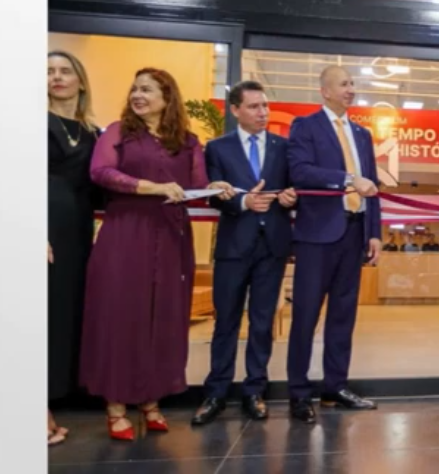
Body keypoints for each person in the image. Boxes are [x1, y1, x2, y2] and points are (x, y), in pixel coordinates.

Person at [79, 68, 235, 440]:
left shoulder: (188, 141)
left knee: (163, 317)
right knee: (121, 316)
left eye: (147, 89)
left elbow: (197, 185)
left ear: (167, 98)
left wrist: (216, 186)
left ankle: (150, 400)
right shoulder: (118, 132)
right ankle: (116, 406)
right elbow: (101, 172)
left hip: (171, 236)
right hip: (125, 232)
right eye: (135, 88)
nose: (138, 95)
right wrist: (151, 186)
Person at [191, 81, 297, 426]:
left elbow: (294, 189)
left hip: (273, 246)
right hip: (234, 246)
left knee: (263, 323)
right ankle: (216, 392)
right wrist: (243, 201)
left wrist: (291, 197)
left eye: (265, 105)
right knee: (226, 321)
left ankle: (255, 391)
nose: (263, 112)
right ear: (235, 110)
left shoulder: (284, 147)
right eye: (254, 107)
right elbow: (212, 194)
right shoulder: (217, 148)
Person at [286, 65, 382, 423]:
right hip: (316, 236)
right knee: (306, 315)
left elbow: (372, 186)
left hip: (354, 234)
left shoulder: (362, 134)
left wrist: (374, 232)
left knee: (343, 315)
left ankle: (335, 387)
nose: (351, 89)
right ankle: (299, 392)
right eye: (344, 84)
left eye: (352, 83)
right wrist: (346, 179)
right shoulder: (305, 127)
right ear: (324, 91)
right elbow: (300, 172)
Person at [47, 50, 102, 446]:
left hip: (78, 233)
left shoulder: (93, 132)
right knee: (40, 318)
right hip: (44, 231)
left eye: (65, 71)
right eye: (49, 71)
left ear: (80, 81)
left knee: (63, 318)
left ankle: (49, 402)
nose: (56, 77)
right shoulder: (31, 122)